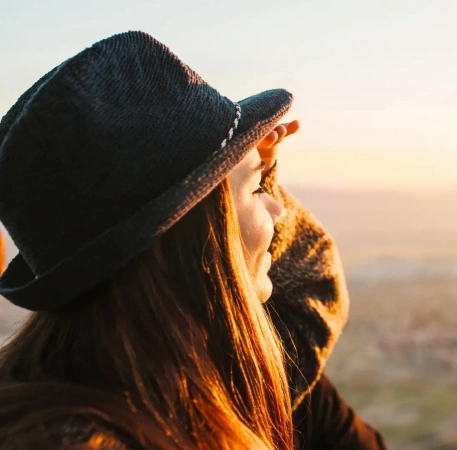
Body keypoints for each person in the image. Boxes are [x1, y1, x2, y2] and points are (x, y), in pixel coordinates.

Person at [0, 31, 385, 449]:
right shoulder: (134, 424)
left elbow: (305, 299)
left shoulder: (168, 380)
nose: (277, 209)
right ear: (192, 239)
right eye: (257, 190)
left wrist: (251, 175)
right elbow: (312, 291)